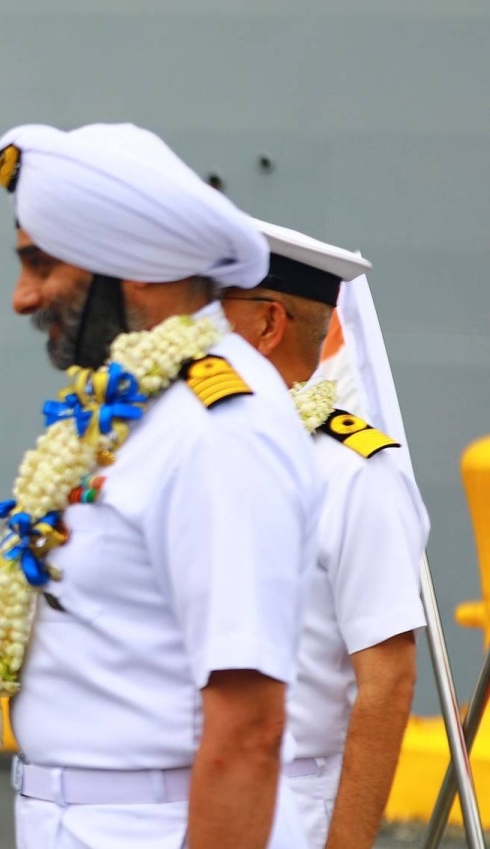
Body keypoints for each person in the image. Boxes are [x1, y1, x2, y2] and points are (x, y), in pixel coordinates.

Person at [0, 113, 321, 849]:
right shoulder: (138, 411)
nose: (22, 298)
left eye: (42, 266)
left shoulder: (220, 430)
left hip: (155, 823)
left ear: (129, 265)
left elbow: (249, 724)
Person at [221, 221, 427, 849]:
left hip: (284, 804)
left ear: (267, 324)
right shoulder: (177, 450)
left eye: (206, 311)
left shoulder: (355, 473)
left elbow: (388, 679)